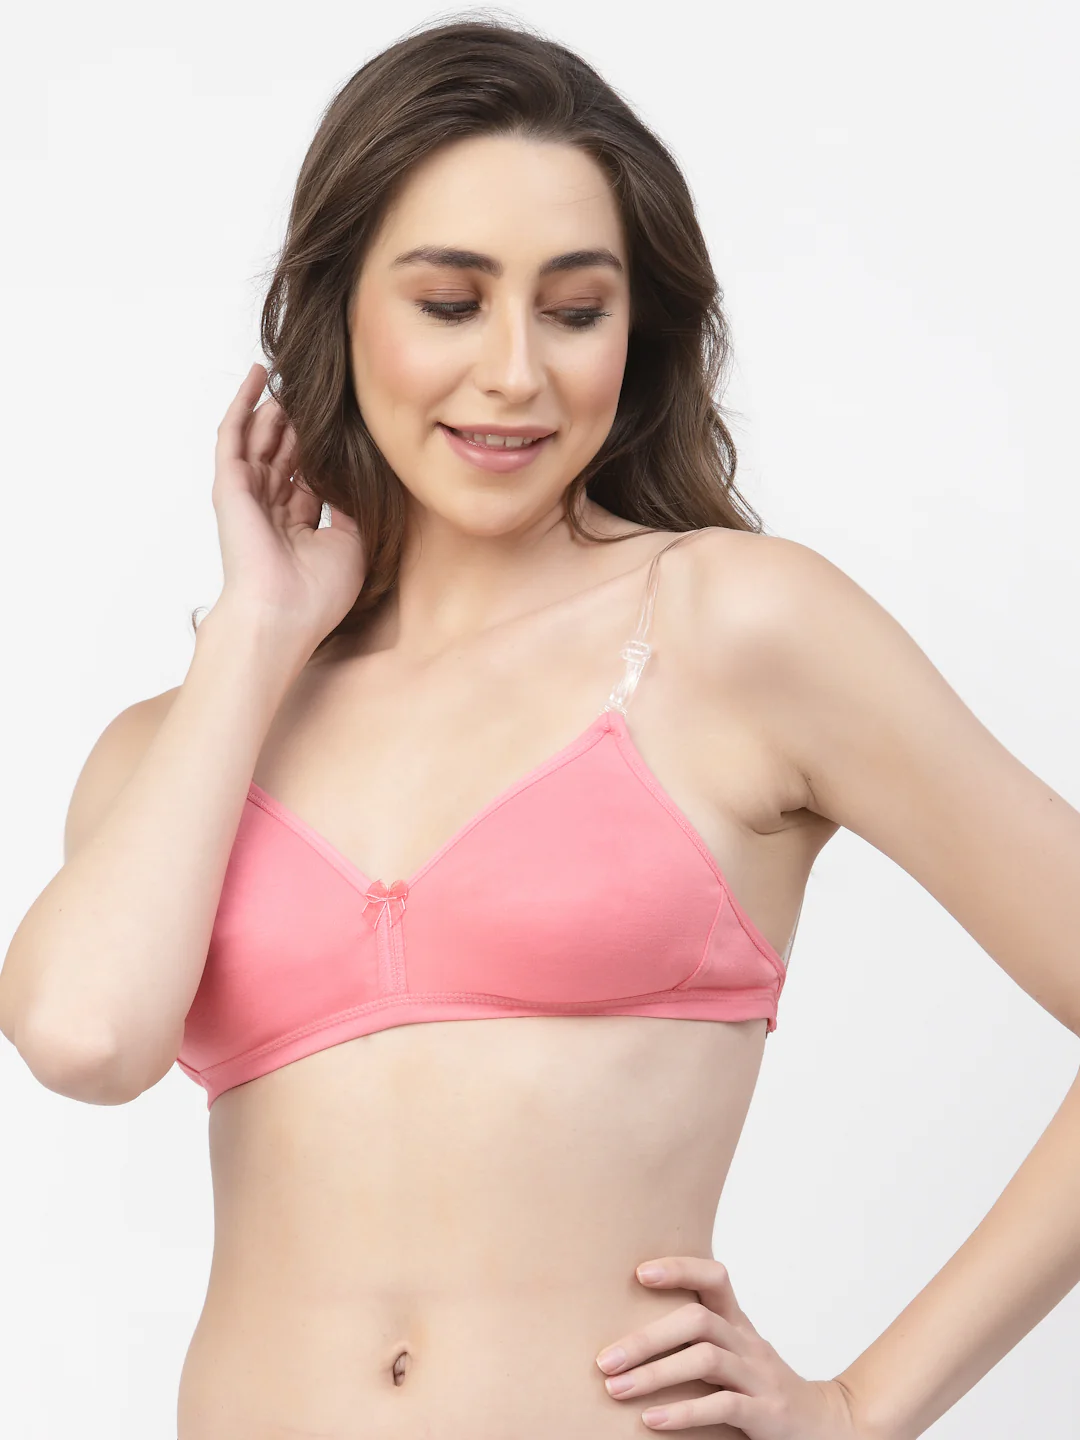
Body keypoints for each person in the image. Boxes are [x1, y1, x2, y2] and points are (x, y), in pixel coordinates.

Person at [3, 16, 1079, 1440]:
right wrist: (257, 634)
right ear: (336, 312)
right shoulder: (188, 739)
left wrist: (859, 1409)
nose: (515, 373)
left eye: (574, 311)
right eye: (451, 303)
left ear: (638, 333)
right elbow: (83, 1040)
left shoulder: (733, 629)